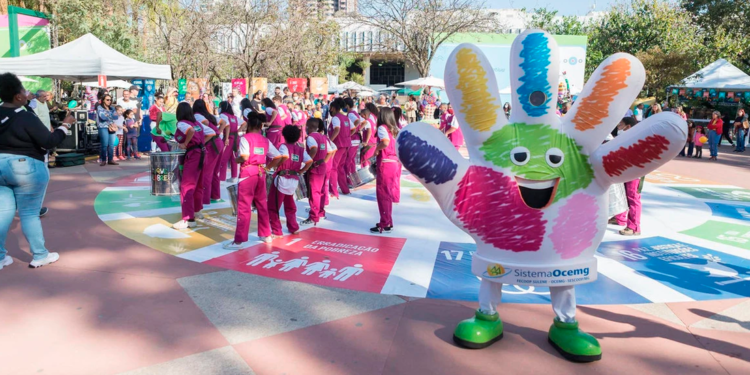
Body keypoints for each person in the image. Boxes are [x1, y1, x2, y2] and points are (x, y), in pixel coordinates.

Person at [0, 73, 75, 269]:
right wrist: (66, 125)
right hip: (26, 167)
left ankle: (0, 256)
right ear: (17, 96)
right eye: (25, 91)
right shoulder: (25, 117)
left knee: (2, 213)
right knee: (29, 213)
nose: (29, 94)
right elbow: (49, 141)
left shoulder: (15, 113)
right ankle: (40, 254)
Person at [223, 112, 282, 249]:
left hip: (247, 173)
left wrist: (236, 160)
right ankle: (266, 234)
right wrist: (267, 168)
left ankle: (239, 240)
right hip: (260, 173)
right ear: (261, 126)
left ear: (249, 125)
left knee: (244, 207)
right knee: (262, 204)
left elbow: (244, 156)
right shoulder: (265, 140)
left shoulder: (245, 138)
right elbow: (278, 157)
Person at [268, 125, 313, 236]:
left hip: (282, 179)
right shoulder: (301, 149)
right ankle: (294, 228)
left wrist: (276, 165)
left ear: (284, 135)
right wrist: (301, 171)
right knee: (290, 204)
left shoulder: (284, 146)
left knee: (273, 206)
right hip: (293, 180)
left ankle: (277, 230)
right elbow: (310, 161)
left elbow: (285, 156)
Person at [172, 103, 206, 229]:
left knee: (186, 186)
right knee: (197, 185)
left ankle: (188, 219)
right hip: (202, 152)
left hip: (193, 154)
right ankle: (197, 211)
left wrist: (185, 143)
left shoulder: (182, 123)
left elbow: (189, 131)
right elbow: (211, 132)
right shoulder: (197, 124)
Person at [371, 107, 401, 233]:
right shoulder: (394, 129)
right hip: (394, 162)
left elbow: (385, 142)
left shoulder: (382, 127)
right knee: (387, 194)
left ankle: (385, 223)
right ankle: (388, 221)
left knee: (383, 194)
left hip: (386, 163)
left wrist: (377, 149)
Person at [610, 117, 641, 236]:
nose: (618, 127)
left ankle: (634, 227)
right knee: (621, 193)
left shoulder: (637, 138)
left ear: (628, 127)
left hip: (635, 172)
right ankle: (620, 217)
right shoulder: (626, 137)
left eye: (620, 125)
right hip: (625, 170)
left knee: (633, 197)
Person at [302, 118, 336, 226]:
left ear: (309, 127)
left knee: (314, 193)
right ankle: (320, 213)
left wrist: (309, 161)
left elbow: (314, 149)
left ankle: (313, 216)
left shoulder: (311, 137)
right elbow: (330, 151)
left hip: (315, 168)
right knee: (321, 192)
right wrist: (323, 162)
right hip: (322, 166)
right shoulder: (323, 137)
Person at [193, 99, 224, 205]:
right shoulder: (209, 115)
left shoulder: (197, 116)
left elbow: (207, 126)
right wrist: (219, 132)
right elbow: (224, 123)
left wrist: (203, 141)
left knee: (206, 172)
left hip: (212, 144)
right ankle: (215, 195)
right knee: (214, 171)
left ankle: (204, 199)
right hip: (218, 143)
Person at [328, 98, 351, 198]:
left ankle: (333, 191)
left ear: (333, 108)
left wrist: (329, 141)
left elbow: (337, 129)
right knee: (340, 168)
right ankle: (345, 189)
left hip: (338, 145)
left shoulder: (336, 118)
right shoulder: (345, 117)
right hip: (345, 145)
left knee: (333, 168)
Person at [217, 101, 240, 183]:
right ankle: (234, 177)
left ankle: (222, 178)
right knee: (233, 157)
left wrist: (226, 138)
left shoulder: (223, 115)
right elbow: (244, 123)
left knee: (223, 158)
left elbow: (227, 126)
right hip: (236, 138)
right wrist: (238, 131)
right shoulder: (234, 117)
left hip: (229, 138)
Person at [345, 97, 365, 187]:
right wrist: (358, 129)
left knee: (348, 161)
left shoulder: (351, 114)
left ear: (347, 106)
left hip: (353, 139)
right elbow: (364, 122)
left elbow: (358, 121)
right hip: (355, 139)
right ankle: (356, 180)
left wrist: (353, 131)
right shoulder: (355, 113)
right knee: (352, 161)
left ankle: (349, 181)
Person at [96, 94, 119, 166]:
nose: (109, 101)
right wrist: (110, 115)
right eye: (107, 100)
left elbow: (116, 117)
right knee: (104, 144)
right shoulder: (99, 107)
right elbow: (102, 117)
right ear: (103, 100)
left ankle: (110, 159)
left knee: (111, 144)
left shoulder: (112, 108)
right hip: (103, 127)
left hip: (111, 127)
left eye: (110, 100)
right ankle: (103, 160)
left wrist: (107, 115)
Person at [361, 103, 379, 168]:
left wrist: (366, 141)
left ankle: (367, 175)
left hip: (369, 142)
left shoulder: (369, 118)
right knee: (370, 159)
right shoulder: (375, 116)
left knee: (365, 159)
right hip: (374, 140)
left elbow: (369, 130)